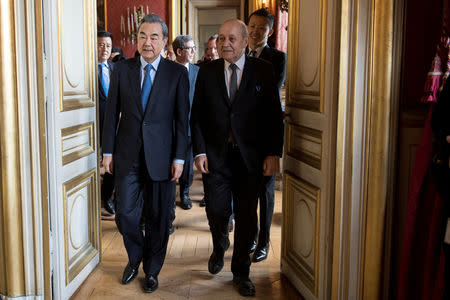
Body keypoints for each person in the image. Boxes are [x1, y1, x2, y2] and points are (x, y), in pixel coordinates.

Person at [190, 19, 284, 297]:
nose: (225, 44)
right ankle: (220, 246)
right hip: (216, 158)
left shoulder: (263, 71)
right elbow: (196, 117)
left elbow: (273, 117)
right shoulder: (205, 72)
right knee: (217, 212)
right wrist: (200, 150)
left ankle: (241, 272)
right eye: (221, 39)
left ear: (245, 42)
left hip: (250, 159)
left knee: (246, 219)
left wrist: (272, 153)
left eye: (231, 39)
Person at [102, 14, 190, 293]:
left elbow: (181, 119)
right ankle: (135, 256)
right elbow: (110, 114)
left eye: (154, 37)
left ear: (164, 42)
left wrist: (179, 158)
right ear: (136, 39)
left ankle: (151, 270)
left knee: (158, 218)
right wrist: (107, 151)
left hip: (163, 158)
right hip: (127, 155)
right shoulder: (122, 70)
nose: (147, 42)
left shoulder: (177, 73)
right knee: (125, 214)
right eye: (142, 35)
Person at [247, 8, 287, 262]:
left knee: (266, 191)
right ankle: (251, 236)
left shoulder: (278, 58)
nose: (255, 31)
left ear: (270, 31)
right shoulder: (240, 53)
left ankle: (264, 241)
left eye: (261, 27)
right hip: (241, 138)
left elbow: (270, 93)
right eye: (252, 26)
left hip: (265, 133)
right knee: (247, 191)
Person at [172, 35, 199, 211]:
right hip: (171, 126)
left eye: (194, 47)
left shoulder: (198, 71)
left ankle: (185, 193)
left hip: (191, 124)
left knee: (188, 163)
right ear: (179, 51)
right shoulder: (168, 70)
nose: (193, 51)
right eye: (190, 48)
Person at [97, 30, 115, 217]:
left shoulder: (115, 69)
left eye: (108, 45)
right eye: (101, 44)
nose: (105, 49)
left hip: (113, 126)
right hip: (93, 126)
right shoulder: (84, 68)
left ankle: (107, 196)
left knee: (113, 164)